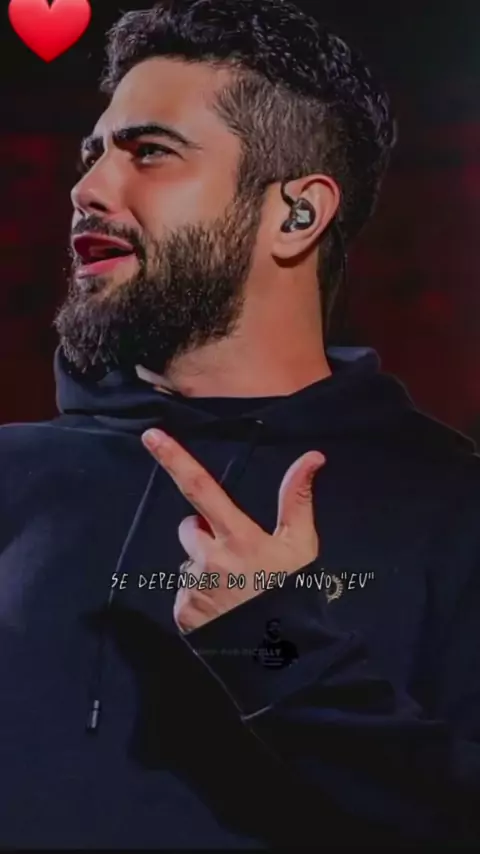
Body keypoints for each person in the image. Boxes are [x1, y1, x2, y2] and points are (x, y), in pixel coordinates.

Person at [1, 0, 479, 847]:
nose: (87, 189)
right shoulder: (15, 476)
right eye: (94, 154)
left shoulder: (453, 506)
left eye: (150, 151)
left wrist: (271, 643)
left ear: (297, 213)